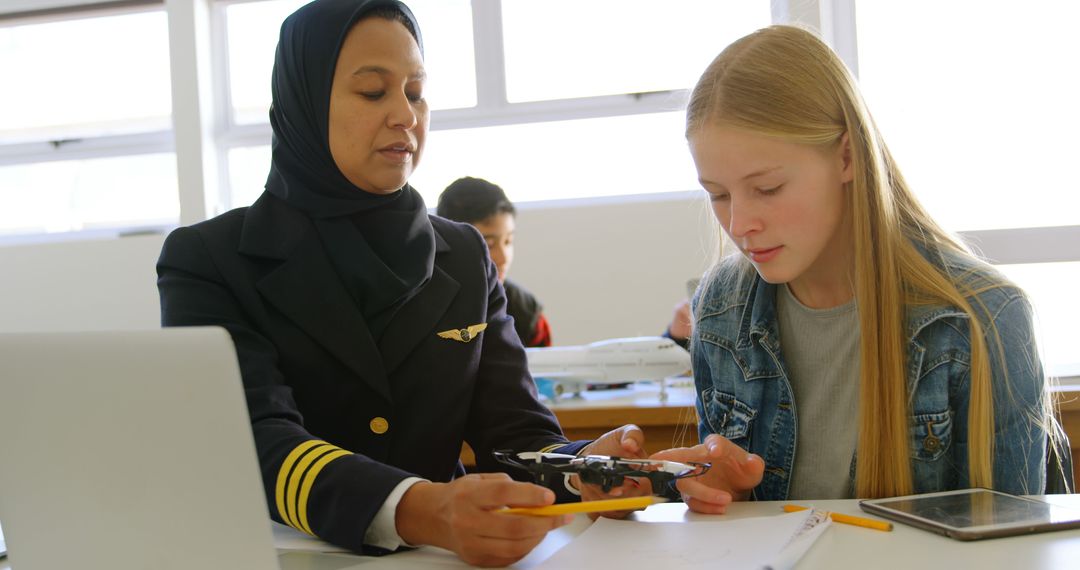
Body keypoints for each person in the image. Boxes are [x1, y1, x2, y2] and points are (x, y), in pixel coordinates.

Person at [156, 1, 648, 566]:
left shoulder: (462, 253)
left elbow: (514, 434)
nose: (406, 116)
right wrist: (421, 509)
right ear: (306, 102)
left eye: (415, 92)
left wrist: (588, 469)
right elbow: (255, 440)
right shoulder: (210, 259)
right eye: (373, 92)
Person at [652, 25, 1055, 510]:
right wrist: (718, 495)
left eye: (768, 188)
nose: (739, 224)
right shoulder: (719, 308)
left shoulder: (983, 317)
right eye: (717, 194)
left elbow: (1011, 547)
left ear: (847, 156)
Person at [436, 176, 552, 347]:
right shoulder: (427, 303)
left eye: (508, 241)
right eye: (489, 244)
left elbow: (544, 369)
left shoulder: (526, 311)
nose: (504, 258)